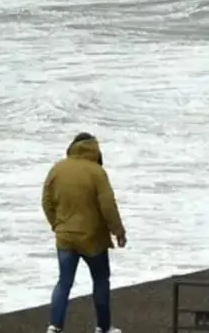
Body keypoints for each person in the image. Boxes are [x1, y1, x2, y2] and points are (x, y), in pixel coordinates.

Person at [42, 132, 127, 333]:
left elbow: (46, 202)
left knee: (64, 282)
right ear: (94, 150)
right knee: (100, 280)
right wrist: (119, 231)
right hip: (93, 238)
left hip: (65, 237)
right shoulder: (96, 172)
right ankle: (103, 327)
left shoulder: (57, 169)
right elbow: (108, 206)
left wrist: (57, 224)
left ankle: (55, 326)